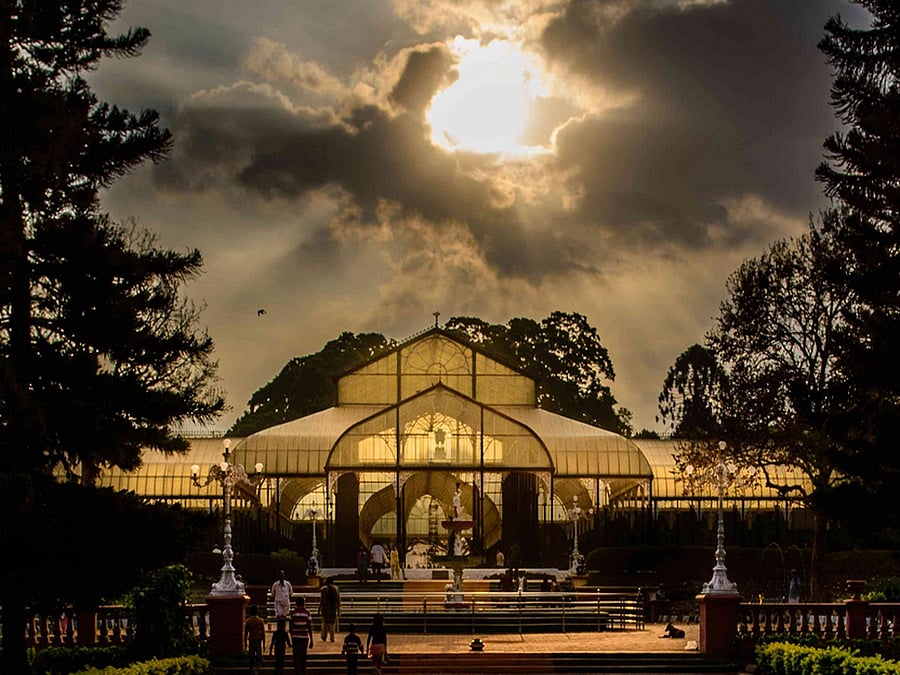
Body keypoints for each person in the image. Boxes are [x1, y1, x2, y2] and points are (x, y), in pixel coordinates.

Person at [289, 596, 314, 675]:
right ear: (304, 603)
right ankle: (303, 671)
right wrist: (311, 639)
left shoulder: (293, 613)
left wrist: (292, 635)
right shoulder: (307, 612)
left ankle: (297, 671)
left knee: (296, 655)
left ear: (296, 603)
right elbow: (309, 626)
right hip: (304, 636)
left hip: (295, 636)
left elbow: (290, 626)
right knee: (303, 655)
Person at [244, 604, 266, 675]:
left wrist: (245, 643)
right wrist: (264, 644)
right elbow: (263, 633)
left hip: (251, 639)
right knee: (259, 656)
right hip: (258, 640)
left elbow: (246, 633)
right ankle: (257, 670)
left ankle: (251, 669)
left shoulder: (248, 621)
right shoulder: (260, 621)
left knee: (251, 656)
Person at [319, 576, 341, 642]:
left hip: (325, 608)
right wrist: (339, 609)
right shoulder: (336, 589)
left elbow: (321, 600)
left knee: (324, 623)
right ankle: (332, 637)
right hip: (333, 608)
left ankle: (324, 636)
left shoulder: (323, 589)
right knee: (332, 624)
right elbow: (338, 600)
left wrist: (319, 608)